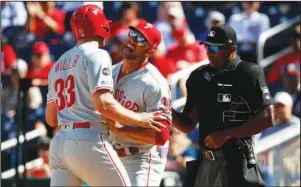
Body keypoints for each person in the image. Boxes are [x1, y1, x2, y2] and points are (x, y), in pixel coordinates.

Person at [45, 5, 166, 186]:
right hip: (87, 138)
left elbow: (51, 119)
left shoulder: (58, 64)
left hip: (59, 144)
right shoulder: (97, 54)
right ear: (102, 26)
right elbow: (104, 104)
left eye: (139, 38)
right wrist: (140, 119)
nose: (132, 40)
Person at [172, 24, 275, 187]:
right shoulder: (198, 76)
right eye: (207, 46)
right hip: (206, 163)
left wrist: (227, 134)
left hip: (237, 162)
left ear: (232, 49)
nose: (208, 52)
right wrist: (167, 112)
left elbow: (268, 117)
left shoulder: (249, 73)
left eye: (214, 48)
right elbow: (188, 124)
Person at [108, 22, 171, 186]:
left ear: (150, 51)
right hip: (112, 155)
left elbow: (160, 136)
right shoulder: (110, 71)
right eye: (133, 34)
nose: (133, 41)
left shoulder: (154, 84)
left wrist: (119, 129)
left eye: (142, 40)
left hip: (142, 157)